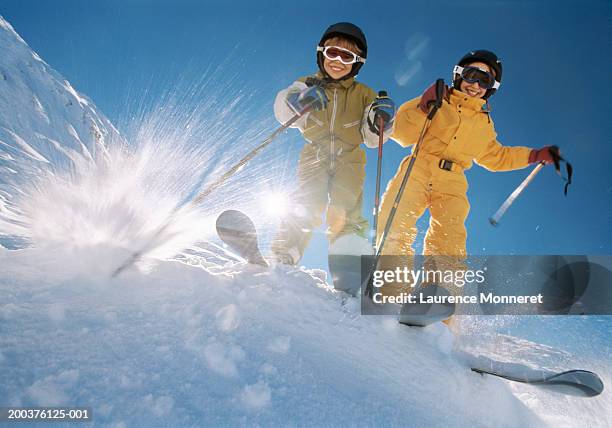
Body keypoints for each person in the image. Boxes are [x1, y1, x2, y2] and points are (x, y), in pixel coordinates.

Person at [377, 50, 556, 298]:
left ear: (491, 88)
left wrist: (533, 156)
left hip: (453, 180)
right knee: (394, 223)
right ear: (459, 75)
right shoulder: (438, 99)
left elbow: (497, 157)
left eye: (485, 81)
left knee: (449, 239)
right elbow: (401, 133)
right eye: (472, 75)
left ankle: (439, 298)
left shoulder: (484, 124)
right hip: (418, 167)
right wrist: (422, 108)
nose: (476, 85)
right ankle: (390, 292)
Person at [271, 22, 396, 267]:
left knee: (346, 209)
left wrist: (381, 120)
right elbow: (283, 112)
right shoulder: (307, 83)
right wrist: (300, 100)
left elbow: (372, 140)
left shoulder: (365, 94)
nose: (337, 60)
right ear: (321, 54)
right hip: (314, 153)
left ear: (357, 62)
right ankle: (286, 251)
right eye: (332, 53)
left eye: (346, 55)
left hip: (350, 158)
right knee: (306, 202)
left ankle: (348, 265)